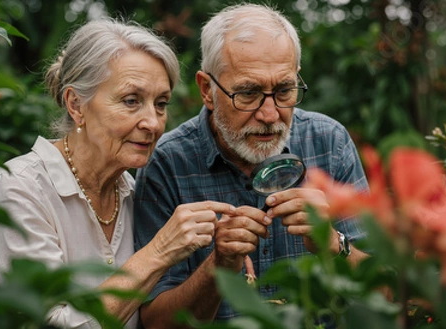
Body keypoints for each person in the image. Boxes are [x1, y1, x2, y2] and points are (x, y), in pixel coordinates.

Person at [0, 18, 236, 329]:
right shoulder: (19, 188)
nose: (153, 122)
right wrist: (160, 251)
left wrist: (220, 261)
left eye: (160, 104)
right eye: (131, 101)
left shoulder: (134, 192)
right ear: (76, 104)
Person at [133, 3, 370, 327]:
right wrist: (218, 267)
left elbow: (386, 292)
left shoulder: (329, 144)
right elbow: (154, 322)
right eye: (248, 93)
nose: (270, 114)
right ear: (207, 89)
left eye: (285, 90)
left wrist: (332, 243)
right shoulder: (168, 164)